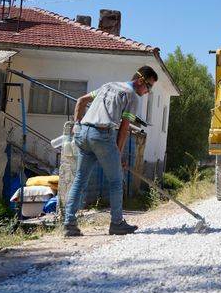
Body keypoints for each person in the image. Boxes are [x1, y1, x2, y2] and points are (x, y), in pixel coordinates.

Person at [64, 66, 157, 236]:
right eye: (148, 87)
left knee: (79, 180)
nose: (147, 91)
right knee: (115, 181)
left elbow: (81, 101)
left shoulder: (108, 86)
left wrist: (77, 125)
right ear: (140, 80)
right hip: (102, 135)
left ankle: (69, 224)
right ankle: (117, 223)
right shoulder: (133, 97)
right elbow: (124, 128)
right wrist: (119, 153)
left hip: (83, 133)